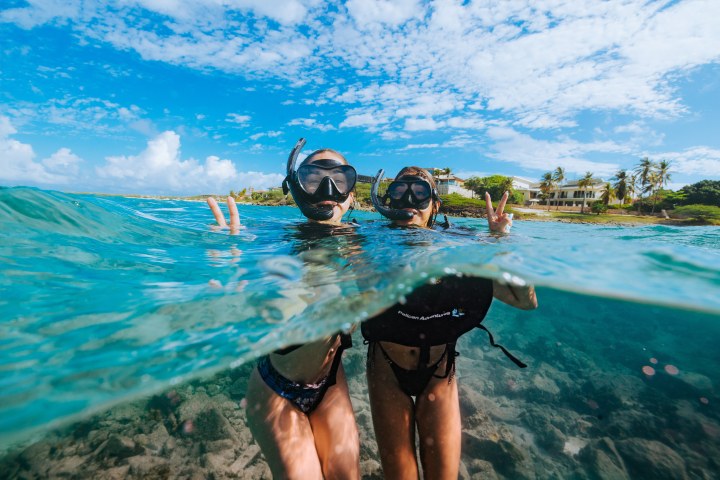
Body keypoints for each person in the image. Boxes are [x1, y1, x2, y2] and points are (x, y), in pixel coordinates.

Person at [362, 166, 538, 479]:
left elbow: (526, 302)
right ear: (387, 201)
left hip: (439, 372)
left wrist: (503, 246)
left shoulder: (460, 249)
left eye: (420, 192)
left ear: (435, 205)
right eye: (400, 191)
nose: (409, 200)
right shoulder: (368, 244)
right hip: (386, 370)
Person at [207, 138, 360, 479]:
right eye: (312, 177)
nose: (327, 188)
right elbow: (251, 290)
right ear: (296, 188)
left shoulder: (365, 245)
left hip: (332, 383)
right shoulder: (274, 240)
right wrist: (234, 267)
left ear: (351, 195)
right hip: (277, 388)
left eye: (340, 178)